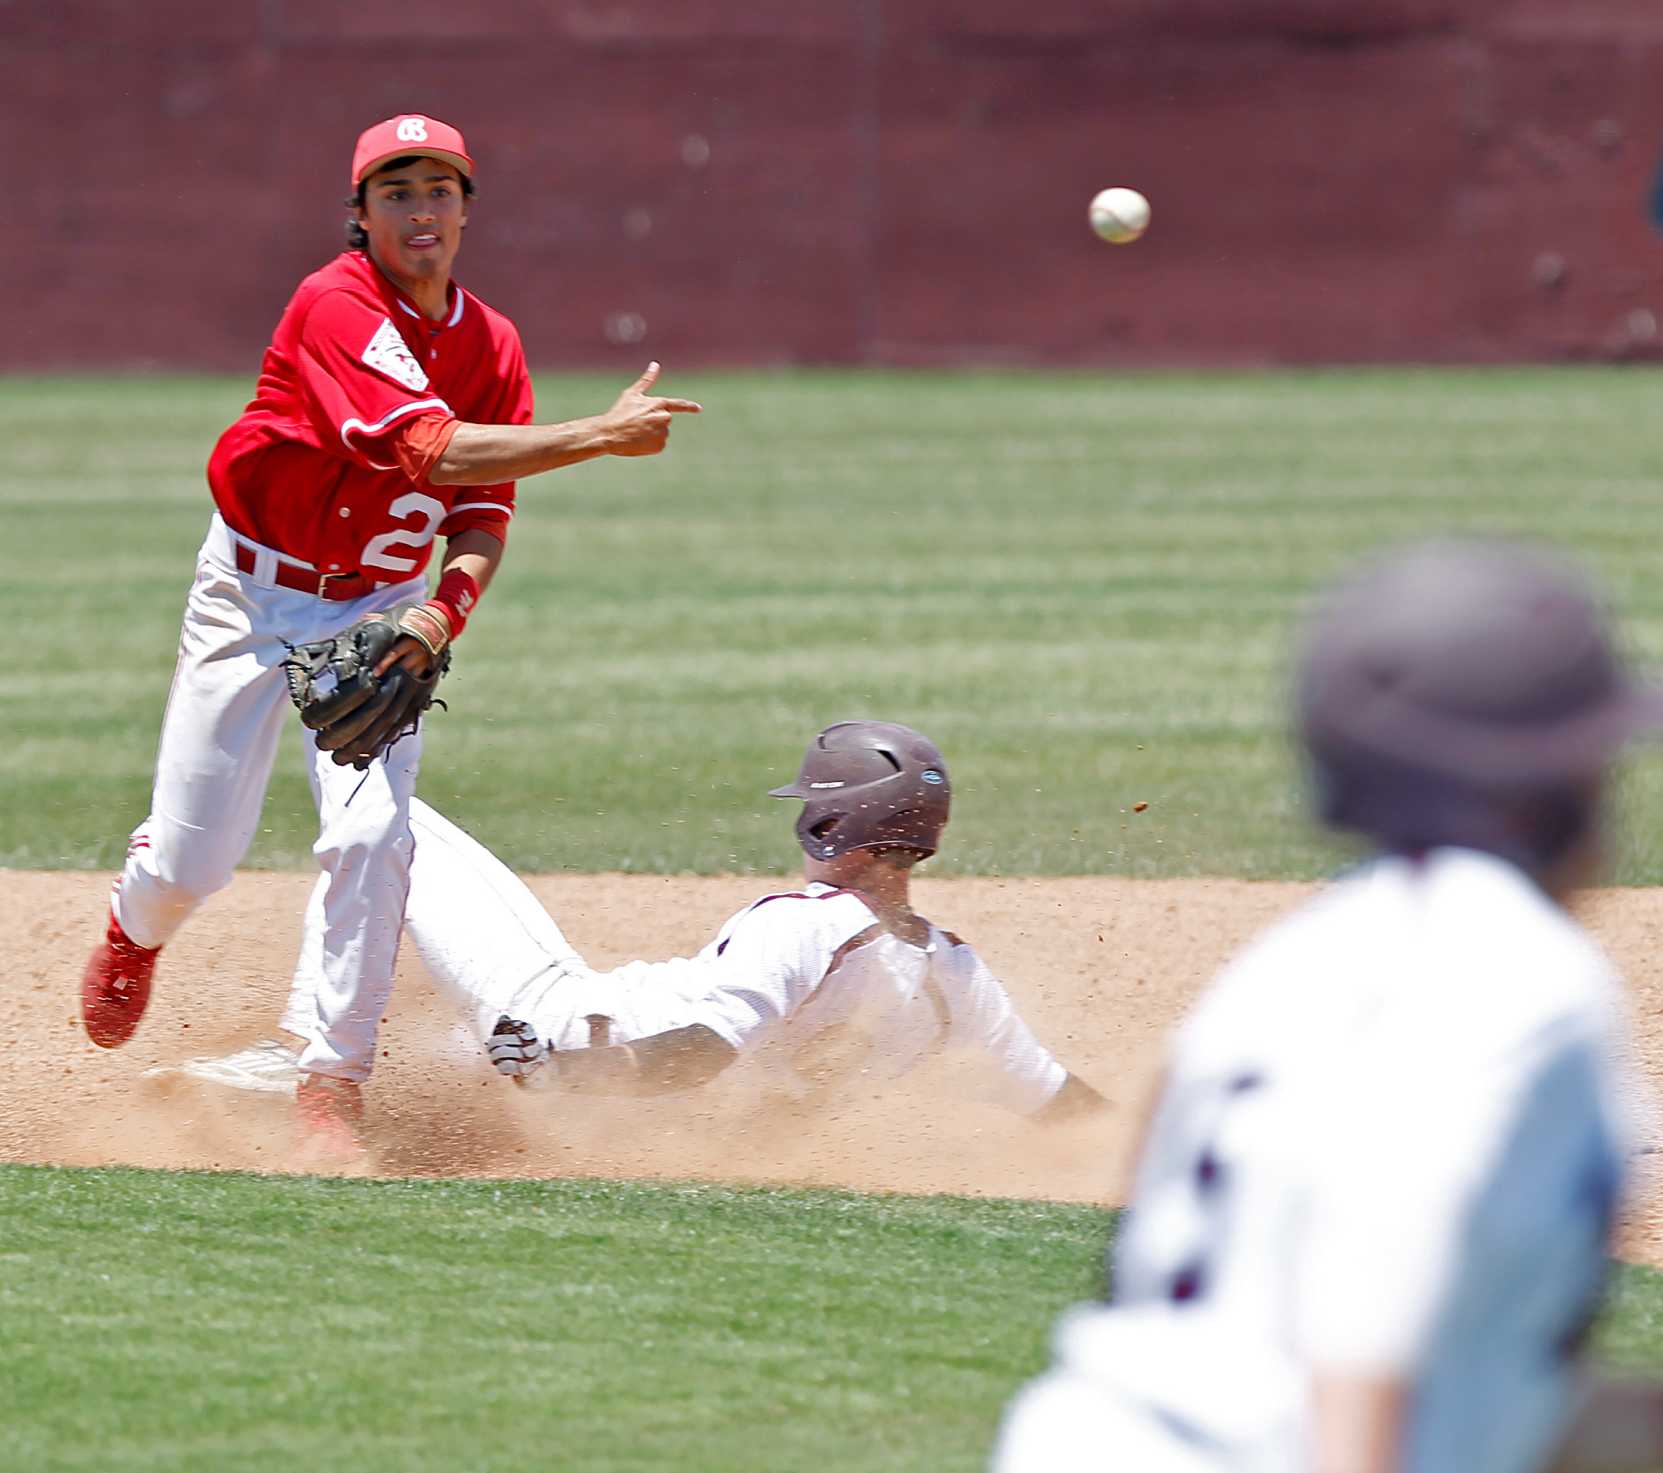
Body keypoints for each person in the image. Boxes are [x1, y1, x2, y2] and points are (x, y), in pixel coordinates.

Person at [989, 541, 1663, 1473]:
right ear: (1539, 786)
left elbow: (1470, 1423)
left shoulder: (1292, 959)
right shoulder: (1509, 975)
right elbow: (1367, 1291)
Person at [81, 112, 703, 1163]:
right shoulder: (334, 302)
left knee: (373, 837)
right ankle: (134, 925)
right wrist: (597, 434)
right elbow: (431, 448)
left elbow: (482, 512)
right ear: (360, 215)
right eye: (398, 192)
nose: (423, 211)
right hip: (248, 591)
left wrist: (435, 613)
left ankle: (331, 1082)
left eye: (441, 191)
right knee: (194, 859)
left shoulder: (491, 344)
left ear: (466, 210)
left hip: (371, 611)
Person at [159, 722, 1107, 1138]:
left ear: (831, 821)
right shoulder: (955, 978)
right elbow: (1062, 1103)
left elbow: (696, 1052)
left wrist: (550, 1074)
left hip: (561, 1032)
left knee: (381, 808)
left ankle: (300, 1055)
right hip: (594, 1073)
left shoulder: (808, 926)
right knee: (433, 1065)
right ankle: (308, 1093)